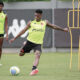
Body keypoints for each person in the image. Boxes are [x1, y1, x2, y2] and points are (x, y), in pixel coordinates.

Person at [9, 9, 68, 76]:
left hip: (38, 44)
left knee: (37, 55)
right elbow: (23, 31)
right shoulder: (31, 23)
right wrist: (14, 38)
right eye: (35, 15)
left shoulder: (45, 22)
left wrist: (63, 29)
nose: (36, 17)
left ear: (40, 15)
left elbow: (54, 26)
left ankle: (33, 70)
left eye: (37, 16)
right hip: (29, 42)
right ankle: (24, 44)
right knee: (21, 54)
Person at [0, 1, 8, 66]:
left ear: (2, 6)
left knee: (0, 48)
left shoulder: (4, 15)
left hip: (1, 34)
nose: (0, 7)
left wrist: (7, 34)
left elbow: (6, 25)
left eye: (1, 6)